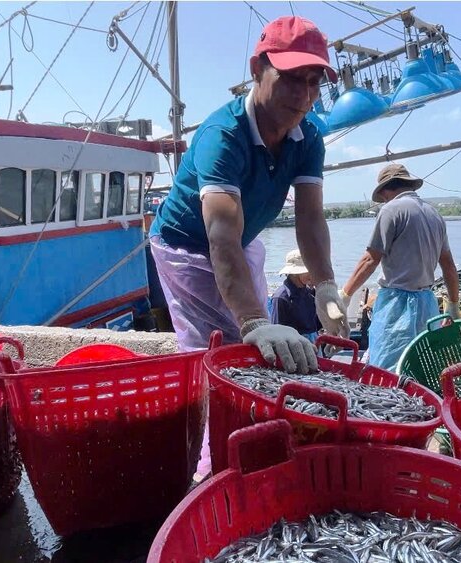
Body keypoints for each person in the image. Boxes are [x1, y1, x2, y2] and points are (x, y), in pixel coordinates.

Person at [149, 15, 348, 375]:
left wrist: (326, 285)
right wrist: (254, 322)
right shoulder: (222, 136)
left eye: (314, 84)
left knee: (262, 350)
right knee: (222, 351)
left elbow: (310, 217)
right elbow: (220, 237)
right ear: (257, 69)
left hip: (241, 241)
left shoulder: (309, 138)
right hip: (185, 245)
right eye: (290, 79)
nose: (304, 97)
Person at [340, 164, 461, 371]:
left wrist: (345, 295)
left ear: (386, 191)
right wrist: (453, 305)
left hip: (397, 306)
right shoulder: (434, 214)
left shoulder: (391, 210)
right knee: (422, 367)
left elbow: (370, 260)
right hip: (427, 305)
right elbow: (449, 266)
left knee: (388, 369)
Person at [270, 249, 321, 341]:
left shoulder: (309, 293)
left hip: (313, 341)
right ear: (295, 274)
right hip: (294, 344)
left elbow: (315, 324)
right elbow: (277, 334)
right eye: (309, 271)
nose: (313, 274)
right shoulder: (281, 298)